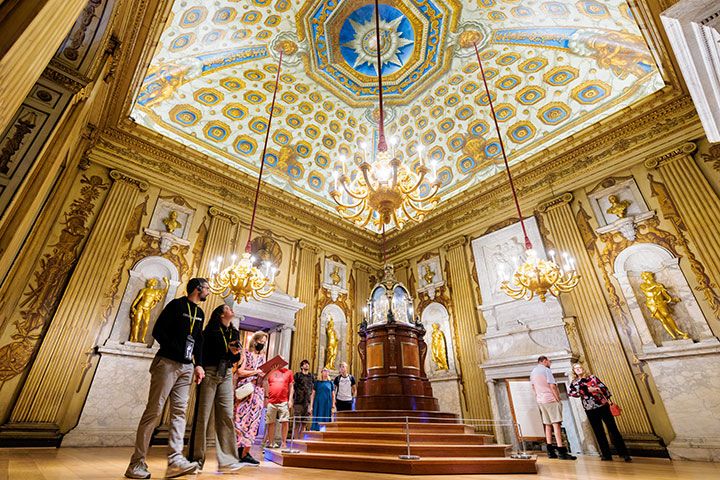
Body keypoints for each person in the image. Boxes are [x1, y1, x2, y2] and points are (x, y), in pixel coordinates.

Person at [125, 278, 209, 479]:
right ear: (197, 289)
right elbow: (159, 331)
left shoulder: (200, 313)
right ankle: (136, 463)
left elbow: (198, 341)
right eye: (207, 288)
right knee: (154, 411)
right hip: (167, 363)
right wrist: (178, 350)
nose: (208, 292)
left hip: (187, 367)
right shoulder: (176, 305)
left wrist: (198, 364)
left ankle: (175, 461)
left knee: (179, 412)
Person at [190, 304, 244, 473]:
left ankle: (228, 460)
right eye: (228, 308)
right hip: (210, 370)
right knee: (202, 416)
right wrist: (199, 366)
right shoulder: (210, 332)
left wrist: (235, 353)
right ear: (221, 315)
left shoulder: (234, 333)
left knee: (227, 415)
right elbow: (203, 352)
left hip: (226, 372)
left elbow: (233, 357)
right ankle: (195, 460)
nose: (231, 310)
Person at [569, 364, 632, 462]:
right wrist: (585, 391)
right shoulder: (575, 382)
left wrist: (596, 390)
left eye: (580, 367)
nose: (578, 369)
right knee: (599, 432)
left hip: (602, 406)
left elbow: (604, 388)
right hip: (590, 409)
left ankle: (624, 454)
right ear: (574, 371)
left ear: (583, 369)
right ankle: (606, 455)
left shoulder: (592, 377)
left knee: (613, 429)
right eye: (576, 368)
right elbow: (572, 393)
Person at [530, 356, 576, 461]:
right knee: (556, 424)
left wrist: (539, 396)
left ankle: (550, 451)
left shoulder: (533, 372)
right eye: (549, 361)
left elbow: (533, 387)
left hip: (541, 400)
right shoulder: (546, 370)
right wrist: (558, 399)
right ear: (544, 361)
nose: (550, 363)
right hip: (550, 399)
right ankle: (561, 451)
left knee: (547, 425)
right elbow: (552, 386)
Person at [233, 331, 268, 466]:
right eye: (261, 342)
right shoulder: (245, 354)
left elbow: (263, 377)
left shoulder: (263, 357)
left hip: (258, 391)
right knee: (240, 420)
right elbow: (240, 372)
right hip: (245, 390)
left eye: (264, 343)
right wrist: (255, 372)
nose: (262, 344)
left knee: (253, 423)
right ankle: (236, 452)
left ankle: (245, 453)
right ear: (255, 341)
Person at [264, 359, 294, 449]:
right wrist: (266, 397)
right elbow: (265, 382)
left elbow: (291, 387)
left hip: (283, 401)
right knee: (270, 422)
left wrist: (290, 400)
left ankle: (284, 442)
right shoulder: (271, 372)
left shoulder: (288, 372)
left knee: (285, 421)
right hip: (271, 401)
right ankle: (271, 442)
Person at [293, 359, 315, 438]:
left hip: (307, 402)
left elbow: (312, 391)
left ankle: (301, 440)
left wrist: (311, 405)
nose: (307, 365)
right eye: (305, 364)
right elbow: (293, 387)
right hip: (298, 401)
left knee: (304, 423)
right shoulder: (297, 375)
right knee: (297, 423)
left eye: (308, 364)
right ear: (301, 366)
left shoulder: (311, 376)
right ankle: (295, 440)